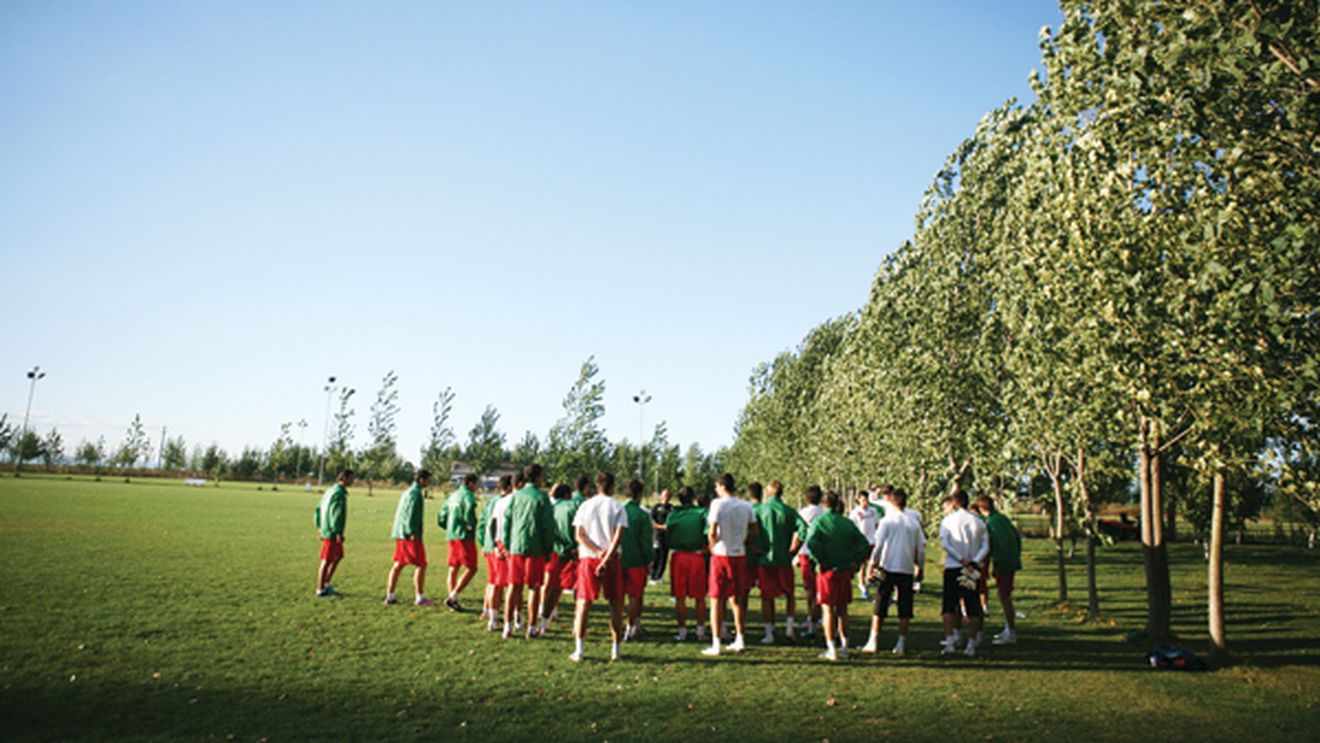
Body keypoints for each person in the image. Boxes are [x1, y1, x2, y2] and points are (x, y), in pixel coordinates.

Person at [805, 490, 871, 661]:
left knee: (827, 610)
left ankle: (831, 648)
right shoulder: (847, 523)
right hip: (844, 570)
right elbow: (864, 544)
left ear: (823, 504)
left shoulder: (819, 522)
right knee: (843, 611)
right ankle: (845, 647)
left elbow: (811, 542)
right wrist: (854, 561)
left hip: (827, 571)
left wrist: (820, 559)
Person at [570, 471, 628, 662]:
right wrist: (605, 557)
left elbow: (580, 535)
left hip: (589, 558)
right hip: (611, 559)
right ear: (612, 486)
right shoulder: (618, 506)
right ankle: (616, 650)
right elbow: (618, 537)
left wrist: (596, 553)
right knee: (616, 604)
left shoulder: (585, 506)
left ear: (597, 486)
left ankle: (579, 650)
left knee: (583, 604)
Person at [861, 487, 926, 655]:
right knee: (905, 608)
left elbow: (879, 545)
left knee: (880, 605)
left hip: (888, 566)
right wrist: (920, 567)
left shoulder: (887, 521)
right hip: (906, 568)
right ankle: (901, 643)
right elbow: (921, 548)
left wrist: (871, 566)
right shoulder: (913, 523)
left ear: (891, 501)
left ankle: (873, 640)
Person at [703, 473, 759, 657]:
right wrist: (742, 541)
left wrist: (712, 548)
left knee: (716, 599)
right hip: (739, 554)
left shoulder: (717, 504)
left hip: (721, 553)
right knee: (737, 599)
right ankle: (740, 638)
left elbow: (712, 531)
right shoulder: (746, 505)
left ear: (721, 486)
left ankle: (716, 643)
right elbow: (754, 530)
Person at [500, 464, 555, 640]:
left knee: (513, 587)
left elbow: (507, 522)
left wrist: (507, 544)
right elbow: (547, 526)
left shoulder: (515, 496)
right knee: (534, 587)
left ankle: (507, 626)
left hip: (516, 546)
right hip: (535, 547)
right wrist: (548, 548)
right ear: (538, 477)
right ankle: (531, 627)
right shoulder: (542, 497)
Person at [939, 487, 989, 656]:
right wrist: (974, 560)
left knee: (949, 606)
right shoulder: (978, 522)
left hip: (954, 566)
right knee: (973, 605)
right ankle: (971, 644)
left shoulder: (947, 521)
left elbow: (946, 544)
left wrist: (960, 558)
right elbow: (985, 546)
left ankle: (951, 641)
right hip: (972, 567)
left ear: (954, 503)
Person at [754, 480, 806, 644]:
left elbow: (750, 530)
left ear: (768, 493)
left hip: (765, 558)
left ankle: (769, 632)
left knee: (766, 597)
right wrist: (794, 549)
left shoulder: (760, 510)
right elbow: (804, 529)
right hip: (784, 559)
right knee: (789, 594)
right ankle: (789, 628)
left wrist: (756, 547)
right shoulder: (789, 511)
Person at [977, 494, 1023, 645]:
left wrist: (996, 562)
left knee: (1004, 596)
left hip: (1004, 562)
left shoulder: (992, 522)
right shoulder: (1002, 518)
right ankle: (1008, 628)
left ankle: (1011, 632)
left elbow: (998, 544)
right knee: (1004, 595)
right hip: (1011, 559)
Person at [665, 486, 708, 641]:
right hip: (697, 556)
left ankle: (682, 631)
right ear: (693, 498)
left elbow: (667, 537)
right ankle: (700, 630)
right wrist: (706, 547)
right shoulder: (701, 513)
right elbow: (709, 532)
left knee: (680, 596)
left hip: (679, 556)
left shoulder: (673, 514)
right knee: (700, 597)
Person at [386, 470, 435, 606]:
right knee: (421, 564)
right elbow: (411, 513)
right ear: (421, 480)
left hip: (401, 533)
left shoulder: (407, 492)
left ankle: (390, 595)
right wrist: (413, 531)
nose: (429, 483)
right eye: (428, 480)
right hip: (410, 535)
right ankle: (419, 597)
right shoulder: (416, 494)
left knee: (399, 564)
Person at [437, 473, 480, 612]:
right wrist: (471, 525)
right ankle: (453, 596)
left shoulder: (453, 495)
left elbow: (442, 514)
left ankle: (453, 599)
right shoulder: (468, 495)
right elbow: (469, 509)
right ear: (471, 483)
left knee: (453, 567)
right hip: (464, 536)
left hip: (452, 535)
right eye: (477, 484)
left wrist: (448, 526)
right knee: (472, 568)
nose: (478, 487)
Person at [541, 482, 580, 631]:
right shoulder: (573, 507)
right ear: (567, 495)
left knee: (554, 588)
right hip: (571, 553)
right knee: (578, 588)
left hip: (555, 551)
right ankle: (577, 622)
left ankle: (544, 621)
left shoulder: (551, 509)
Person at [477, 475, 514, 631]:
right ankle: (496, 618)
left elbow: (485, 524)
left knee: (492, 582)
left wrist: (485, 544)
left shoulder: (492, 502)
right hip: (500, 546)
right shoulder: (507, 502)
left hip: (490, 545)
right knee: (502, 585)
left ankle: (488, 613)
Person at [620, 479, 654, 640]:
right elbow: (646, 541)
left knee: (619, 595)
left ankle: (622, 625)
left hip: (618, 558)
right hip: (637, 560)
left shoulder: (617, 510)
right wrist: (649, 559)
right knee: (635, 595)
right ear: (640, 494)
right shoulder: (642, 514)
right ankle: (631, 627)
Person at [314, 468, 354, 598]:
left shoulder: (330, 491)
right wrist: (337, 531)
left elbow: (318, 509)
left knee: (338, 556)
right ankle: (320, 590)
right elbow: (336, 514)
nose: (353, 481)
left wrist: (319, 526)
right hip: (331, 531)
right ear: (343, 478)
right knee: (327, 559)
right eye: (351, 478)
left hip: (326, 529)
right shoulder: (338, 494)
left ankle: (326, 584)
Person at [795, 486, 826, 636]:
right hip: (821, 553)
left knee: (809, 589)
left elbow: (798, 533)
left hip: (805, 553)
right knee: (821, 587)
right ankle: (819, 616)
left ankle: (812, 618)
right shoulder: (824, 513)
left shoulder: (802, 513)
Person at [849, 492, 880, 600]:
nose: (865, 502)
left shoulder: (873, 511)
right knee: (862, 565)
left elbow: (877, 524)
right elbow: (852, 527)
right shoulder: (855, 513)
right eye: (863, 500)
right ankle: (862, 587)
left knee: (873, 564)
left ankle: (868, 582)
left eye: (866, 499)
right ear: (859, 500)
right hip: (861, 543)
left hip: (872, 541)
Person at [649, 489, 673, 583]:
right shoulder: (656, 507)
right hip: (657, 535)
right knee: (655, 556)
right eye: (664, 495)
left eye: (668, 495)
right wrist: (661, 527)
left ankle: (659, 576)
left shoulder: (672, 508)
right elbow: (651, 521)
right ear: (661, 496)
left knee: (664, 557)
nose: (666, 497)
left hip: (667, 537)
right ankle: (653, 577)